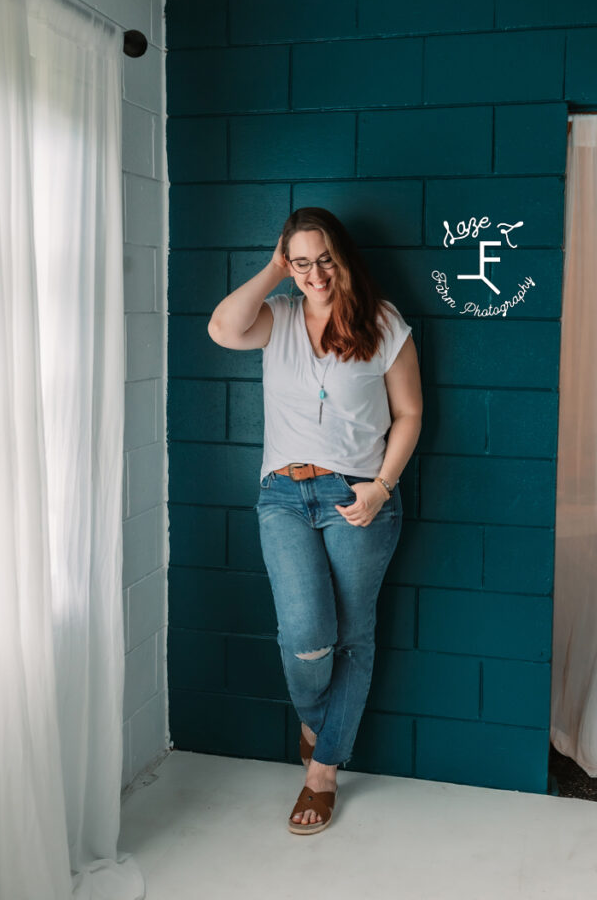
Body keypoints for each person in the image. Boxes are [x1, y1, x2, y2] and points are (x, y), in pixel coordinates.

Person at [208, 207, 422, 835]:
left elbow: (408, 414)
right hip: (283, 496)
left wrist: (383, 487)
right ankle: (315, 720)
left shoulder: (384, 324)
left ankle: (323, 769)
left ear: (343, 257)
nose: (314, 273)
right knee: (305, 634)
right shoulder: (275, 319)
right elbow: (222, 328)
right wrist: (275, 268)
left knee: (354, 636)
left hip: (358, 499)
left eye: (323, 259)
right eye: (300, 261)